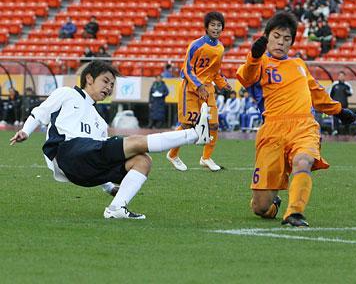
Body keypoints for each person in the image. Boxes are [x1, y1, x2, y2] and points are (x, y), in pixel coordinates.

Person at [10, 61, 211, 219]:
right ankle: (194, 135)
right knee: (133, 142)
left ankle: (116, 207)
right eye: (105, 81)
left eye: (112, 85)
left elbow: (100, 157)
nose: (109, 87)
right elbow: (40, 112)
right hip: (66, 153)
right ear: (89, 78)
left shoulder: (100, 122)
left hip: (84, 172)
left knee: (142, 160)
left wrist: (108, 187)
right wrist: (26, 131)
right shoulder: (67, 93)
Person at [236, 12, 356, 227]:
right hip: (272, 130)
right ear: (267, 36)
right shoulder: (259, 62)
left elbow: (316, 92)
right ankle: (275, 204)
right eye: (277, 36)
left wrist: (338, 111)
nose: (281, 42)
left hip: (303, 125)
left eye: (287, 38)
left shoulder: (299, 64)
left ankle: (295, 212)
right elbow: (245, 77)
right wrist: (253, 56)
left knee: (304, 161)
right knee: (260, 207)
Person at [167, 12, 232, 172]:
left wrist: (224, 84)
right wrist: (199, 86)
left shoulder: (220, 48)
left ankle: (206, 158)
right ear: (206, 27)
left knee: (214, 124)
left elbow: (215, 72)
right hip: (190, 88)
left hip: (208, 89)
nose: (216, 28)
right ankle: (173, 154)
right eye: (213, 25)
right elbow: (187, 69)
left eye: (219, 25)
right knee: (188, 123)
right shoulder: (196, 45)